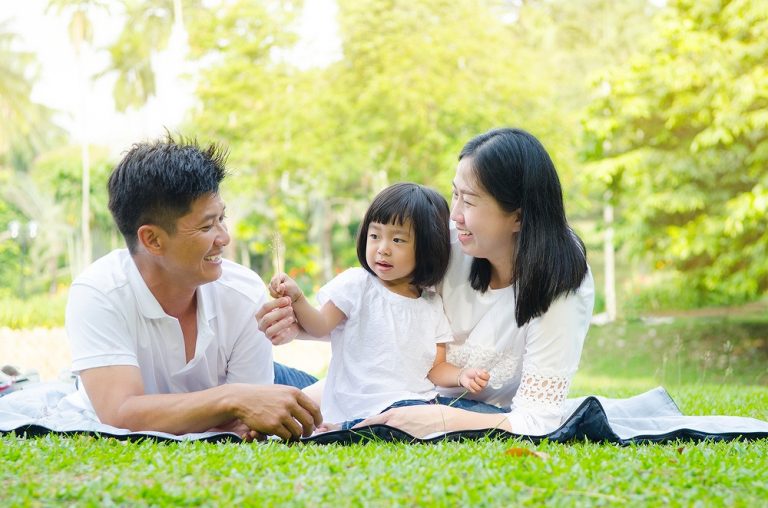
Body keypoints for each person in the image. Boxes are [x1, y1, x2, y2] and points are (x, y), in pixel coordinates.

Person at [261, 128, 594, 438]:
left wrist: (438, 419)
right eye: (455, 195)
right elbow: (375, 317)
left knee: (271, 396)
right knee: (260, 380)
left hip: (429, 406)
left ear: (518, 216)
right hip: (365, 390)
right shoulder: (444, 244)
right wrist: (295, 324)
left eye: (470, 200)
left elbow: (538, 418)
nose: (455, 214)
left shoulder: (560, 283)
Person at [65, 136, 322, 441]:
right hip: (225, 386)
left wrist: (241, 404)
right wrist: (233, 398)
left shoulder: (241, 291)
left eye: (221, 219)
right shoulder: (99, 293)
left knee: (349, 397)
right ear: (153, 240)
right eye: (206, 226)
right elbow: (120, 414)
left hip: (269, 375)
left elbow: (251, 423)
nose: (224, 238)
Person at [269, 183, 490, 430]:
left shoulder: (431, 305)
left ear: (427, 248)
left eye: (397, 240)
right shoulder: (356, 285)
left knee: (486, 414)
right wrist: (298, 299)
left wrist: (461, 375)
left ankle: (358, 427)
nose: (383, 249)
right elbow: (319, 326)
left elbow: (435, 368)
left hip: (414, 404)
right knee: (396, 418)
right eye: (375, 236)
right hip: (361, 404)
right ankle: (346, 426)